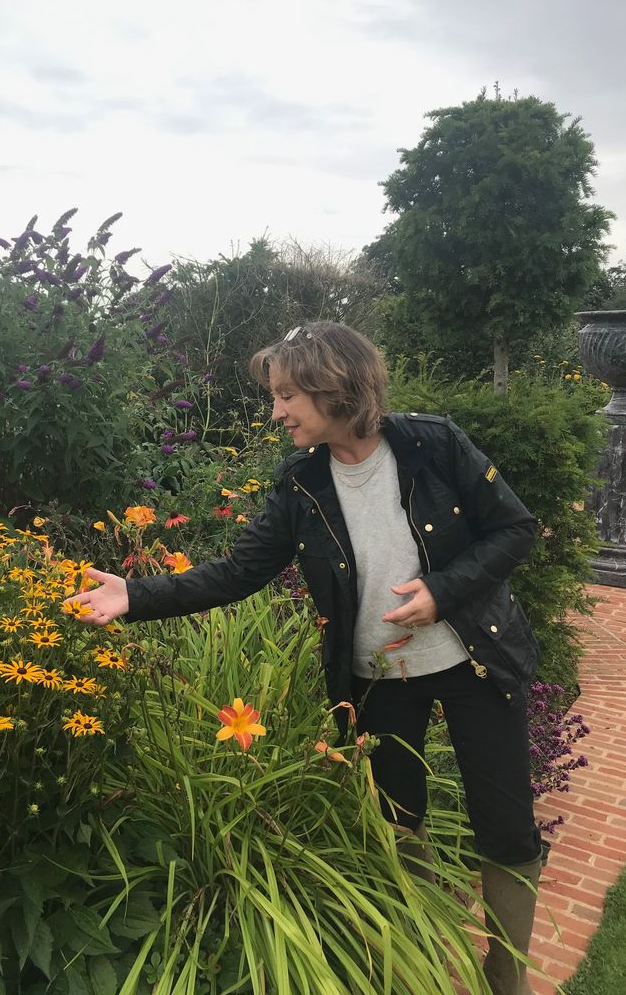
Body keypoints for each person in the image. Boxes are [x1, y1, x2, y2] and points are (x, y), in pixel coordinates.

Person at [67, 322, 543, 995]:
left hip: (476, 662)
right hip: (378, 681)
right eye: (275, 396)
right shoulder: (300, 482)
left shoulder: (433, 444)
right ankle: (426, 962)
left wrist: (443, 590)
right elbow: (240, 571)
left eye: (287, 394)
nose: (276, 412)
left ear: (335, 386)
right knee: (398, 831)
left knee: (506, 831)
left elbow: (515, 528)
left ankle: (507, 980)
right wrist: (136, 595)